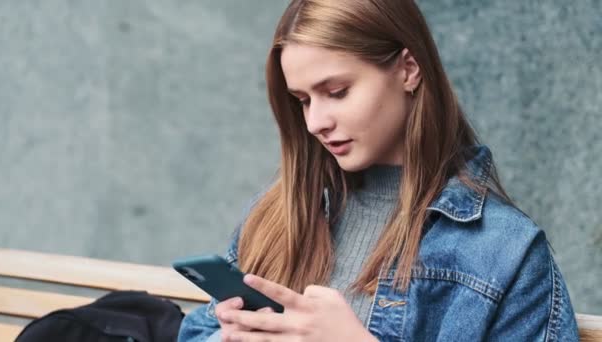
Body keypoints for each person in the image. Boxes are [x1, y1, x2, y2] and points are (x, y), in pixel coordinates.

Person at [178, 0, 579, 341]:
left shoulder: (502, 252)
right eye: (302, 100)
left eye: (337, 92)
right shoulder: (276, 216)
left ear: (408, 70)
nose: (316, 121)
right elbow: (198, 330)